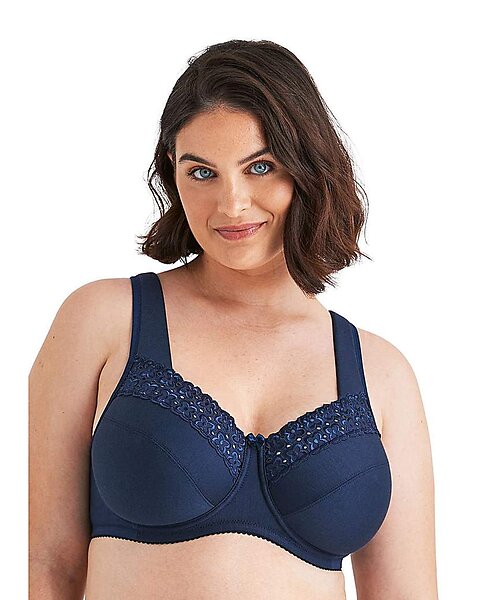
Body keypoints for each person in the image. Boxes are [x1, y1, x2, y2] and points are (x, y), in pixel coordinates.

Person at [29, 39, 438, 599]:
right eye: (202, 173)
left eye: (260, 167)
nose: (232, 204)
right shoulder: (103, 320)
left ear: (308, 169)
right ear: (172, 174)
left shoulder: (381, 372)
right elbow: (48, 565)